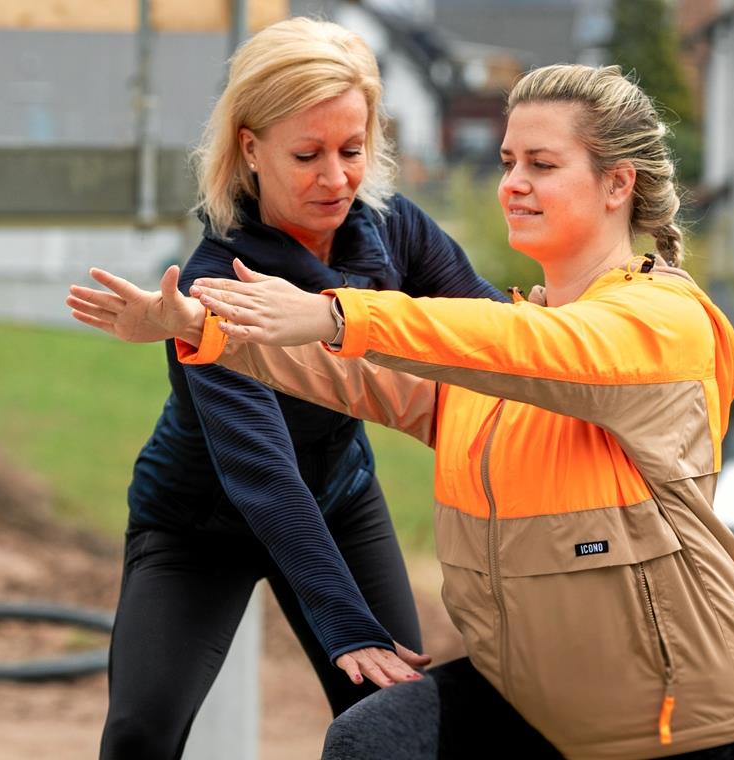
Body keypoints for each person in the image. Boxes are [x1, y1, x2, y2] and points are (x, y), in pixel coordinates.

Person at [70, 64, 734, 759]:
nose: (513, 184)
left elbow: (531, 347)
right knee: (376, 741)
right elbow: (377, 381)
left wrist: (333, 314)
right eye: (509, 162)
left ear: (618, 183)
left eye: (542, 165)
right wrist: (197, 327)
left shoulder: (661, 321)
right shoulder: (509, 353)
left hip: (693, 732)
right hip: (540, 718)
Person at [65, 17, 505, 760]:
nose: (335, 178)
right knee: (142, 731)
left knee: (396, 719)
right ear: (250, 149)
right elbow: (264, 475)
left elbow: (489, 334)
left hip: (338, 498)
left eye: (352, 150)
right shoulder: (210, 284)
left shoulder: (394, 231)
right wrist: (347, 622)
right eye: (307, 154)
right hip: (198, 525)